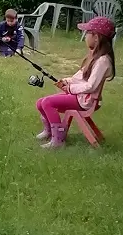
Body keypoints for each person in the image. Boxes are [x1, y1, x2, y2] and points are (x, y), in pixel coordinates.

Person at [34, 16, 116, 149]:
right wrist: (67, 81)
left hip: (85, 101)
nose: (85, 37)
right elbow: (80, 77)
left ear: (96, 37)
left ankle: (58, 141)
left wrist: (71, 89)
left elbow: (91, 86)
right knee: (40, 103)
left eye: (87, 33)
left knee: (47, 102)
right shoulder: (94, 56)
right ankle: (50, 131)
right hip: (80, 96)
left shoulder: (103, 61)